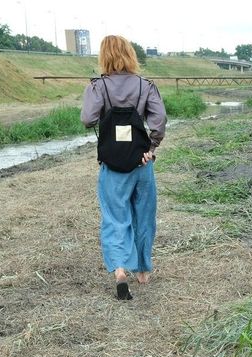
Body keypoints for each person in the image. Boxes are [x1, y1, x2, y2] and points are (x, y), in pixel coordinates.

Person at [81, 35, 167, 301]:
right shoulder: (146, 86)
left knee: (115, 218)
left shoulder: (98, 86)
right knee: (144, 216)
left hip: (113, 164)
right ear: (130, 55)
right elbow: (159, 121)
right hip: (141, 163)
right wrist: (150, 150)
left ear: (104, 56)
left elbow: (88, 119)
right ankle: (142, 271)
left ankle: (120, 271)